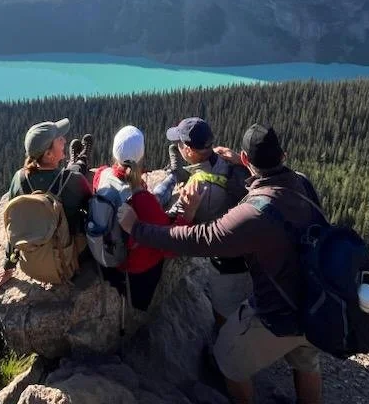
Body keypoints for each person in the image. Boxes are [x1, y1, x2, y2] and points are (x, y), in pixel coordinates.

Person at [118, 123, 324, 404]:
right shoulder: (303, 183)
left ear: (244, 159)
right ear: (284, 156)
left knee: (226, 356)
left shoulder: (253, 213)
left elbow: (198, 239)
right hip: (315, 299)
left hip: (280, 309)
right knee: (306, 362)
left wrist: (137, 229)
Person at [155, 116, 252, 325]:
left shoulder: (196, 189)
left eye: (179, 143)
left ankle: (224, 347)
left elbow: (171, 228)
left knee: (224, 310)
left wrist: (185, 207)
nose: (177, 146)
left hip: (225, 262)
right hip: (248, 249)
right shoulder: (224, 160)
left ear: (189, 151)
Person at [93, 125, 199, 311]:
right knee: (161, 202)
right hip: (136, 272)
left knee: (157, 196)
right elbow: (170, 246)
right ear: (141, 156)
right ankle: (173, 174)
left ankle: (173, 174)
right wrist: (187, 214)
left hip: (109, 254)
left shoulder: (102, 174)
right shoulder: (142, 200)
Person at [0, 118, 91, 295]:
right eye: (60, 140)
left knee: (71, 173)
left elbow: (14, 225)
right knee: (76, 174)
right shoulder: (73, 181)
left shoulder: (19, 179)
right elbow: (92, 205)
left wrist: (8, 266)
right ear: (49, 155)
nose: (64, 140)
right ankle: (81, 160)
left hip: (32, 266)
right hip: (68, 264)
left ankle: (79, 160)